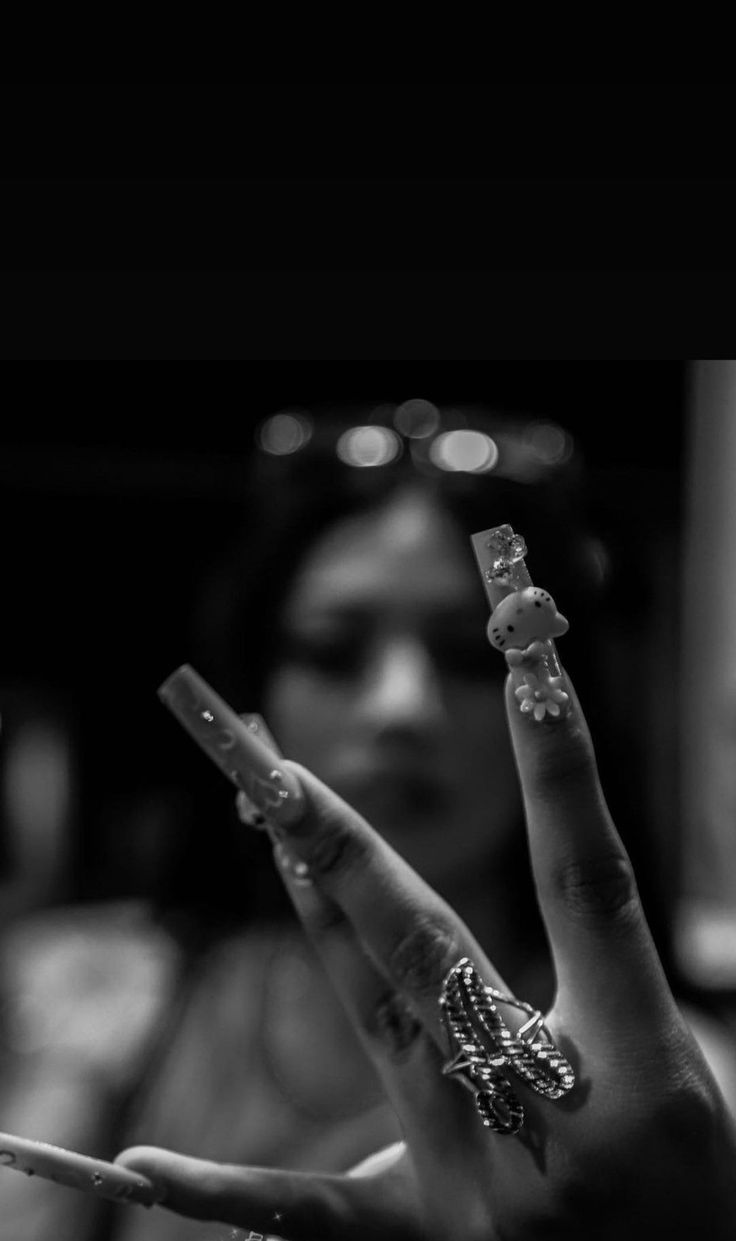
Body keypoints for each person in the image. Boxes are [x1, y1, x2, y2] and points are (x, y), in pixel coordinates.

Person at [0, 401, 733, 1240]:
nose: (401, 708)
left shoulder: (679, 1094)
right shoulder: (83, 1001)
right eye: (332, 649)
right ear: (255, 690)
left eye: (467, 653)